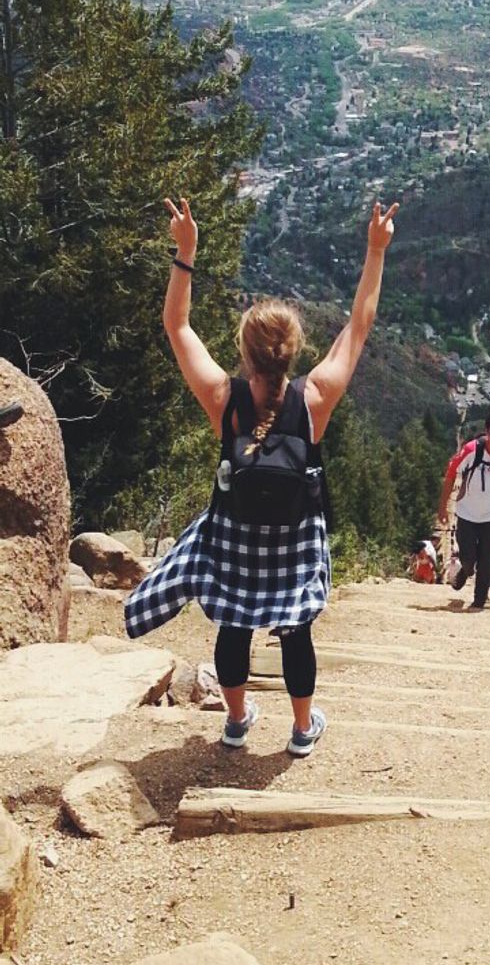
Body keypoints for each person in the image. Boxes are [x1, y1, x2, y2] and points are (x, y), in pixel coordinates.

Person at [125, 195, 398, 756]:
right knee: (295, 630)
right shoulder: (315, 397)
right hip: (295, 541)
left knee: (233, 624)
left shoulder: (222, 398)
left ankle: (236, 720)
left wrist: (186, 252)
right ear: (293, 353)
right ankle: (301, 731)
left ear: (245, 353)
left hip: (234, 538)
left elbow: (176, 326)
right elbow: (360, 324)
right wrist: (375, 250)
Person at [436, 411, 490, 611]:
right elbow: (451, 475)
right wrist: (442, 508)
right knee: (468, 558)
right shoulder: (471, 450)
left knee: (486, 559)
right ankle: (464, 572)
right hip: (467, 513)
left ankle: (479, 602)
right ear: (486, 432)